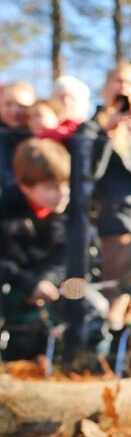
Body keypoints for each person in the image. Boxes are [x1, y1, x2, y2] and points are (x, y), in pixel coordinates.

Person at [0, 138, 70, 357]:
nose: (61, 193)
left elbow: (70, 258)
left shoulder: (72, 214)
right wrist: (29, 285)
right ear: (25, 186)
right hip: (11, 286)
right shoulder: (6, 210)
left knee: (90, 304)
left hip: (56, 287)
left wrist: (47, 281)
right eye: (50, 187)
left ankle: (78, 364)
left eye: (64, 185)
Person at [77, 62, 131, 281]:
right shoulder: (90, 128)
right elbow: (88, 172)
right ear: (106, 88)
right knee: (112, 289)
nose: (123, 88)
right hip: (109, 221)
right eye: (118, 81)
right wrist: (107, 133)